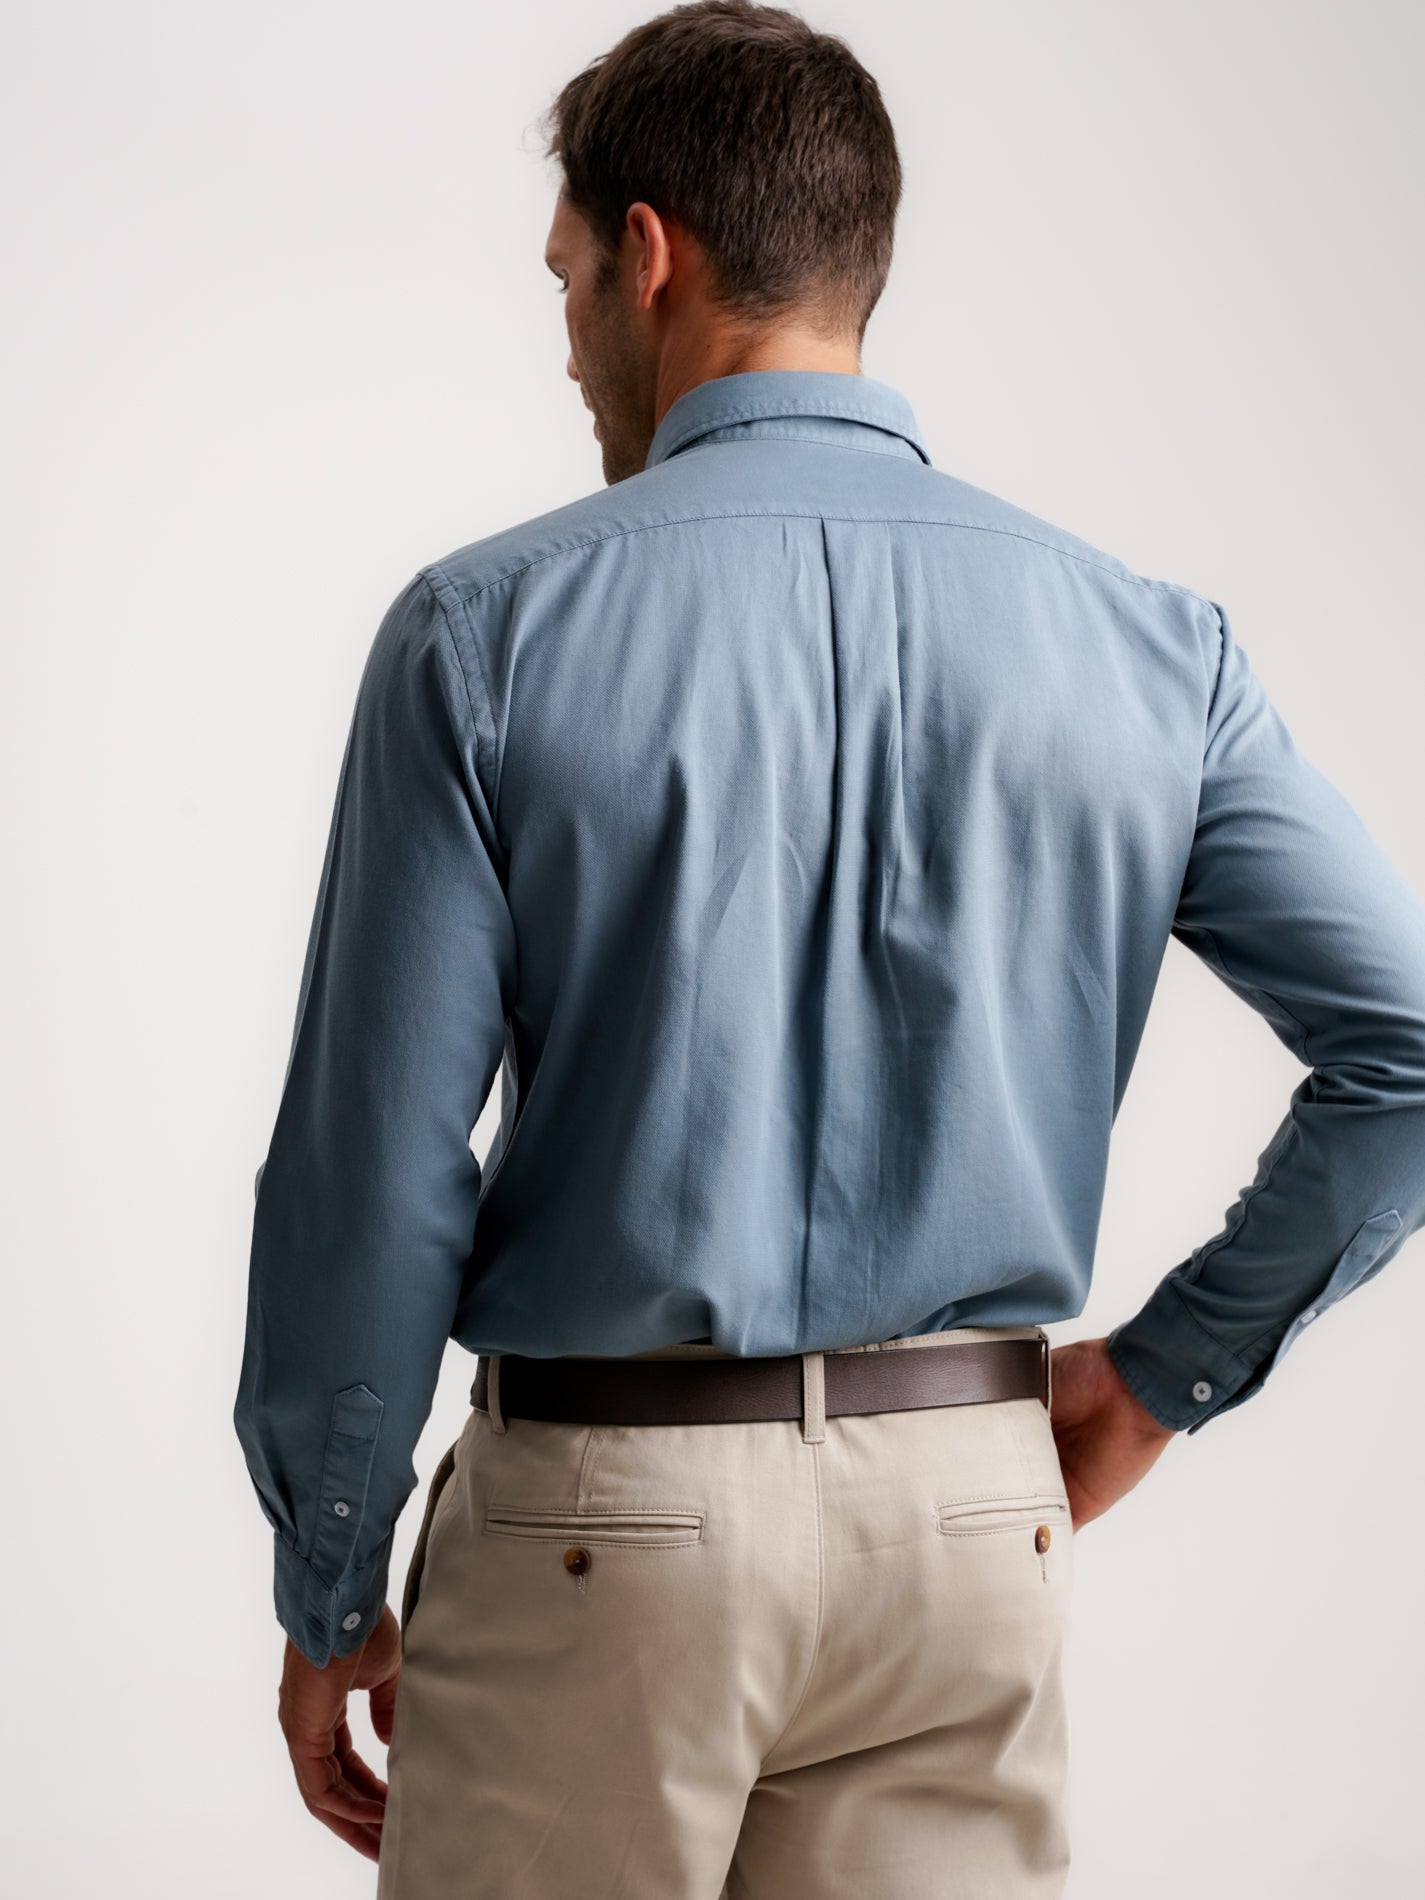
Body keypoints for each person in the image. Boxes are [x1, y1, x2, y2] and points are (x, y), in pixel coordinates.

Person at [232, 4, 1425, 1895]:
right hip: (966, 1526)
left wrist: (329, 1575)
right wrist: (1155, 1381)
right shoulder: (1147, 649)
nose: (566, 340)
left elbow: (376, 1171)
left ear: (647, 256)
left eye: (566, 279)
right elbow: (1406, 1054)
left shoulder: (486, 634)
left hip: (600, 1535)